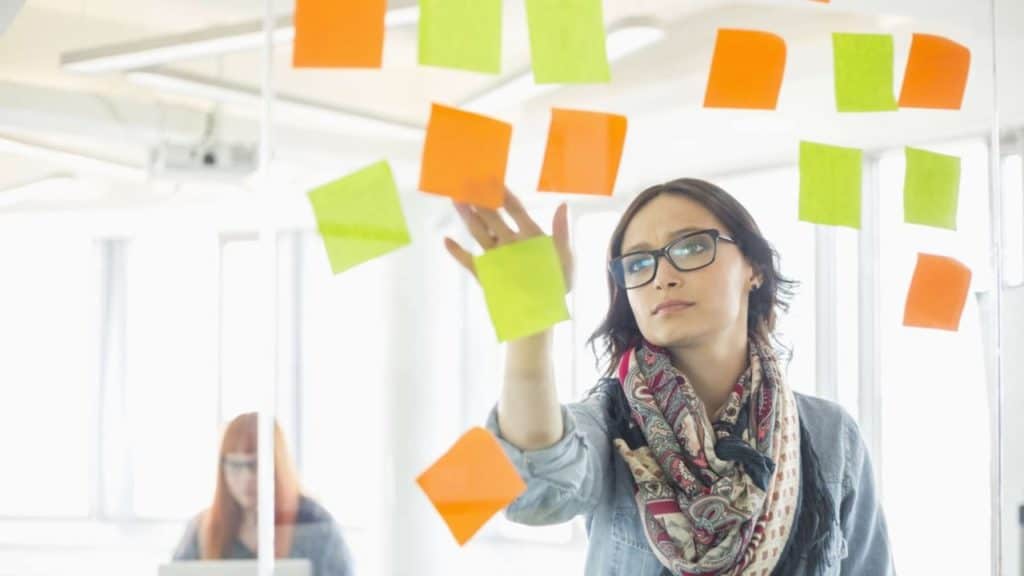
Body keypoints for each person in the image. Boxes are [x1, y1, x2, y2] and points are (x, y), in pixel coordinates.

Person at [444, 178, 894, 575]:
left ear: (753, 269)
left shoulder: (831, 434)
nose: (663, 275)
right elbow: (535, 492)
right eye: (638, 263)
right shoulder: (609, 426)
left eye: (693, 246)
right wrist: (531, 326)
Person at [172, 412, 354, 576]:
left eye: (255, 465)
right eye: (235, 465)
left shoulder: (315, 524)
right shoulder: (203, 528)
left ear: (277, 466)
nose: (246, 479)